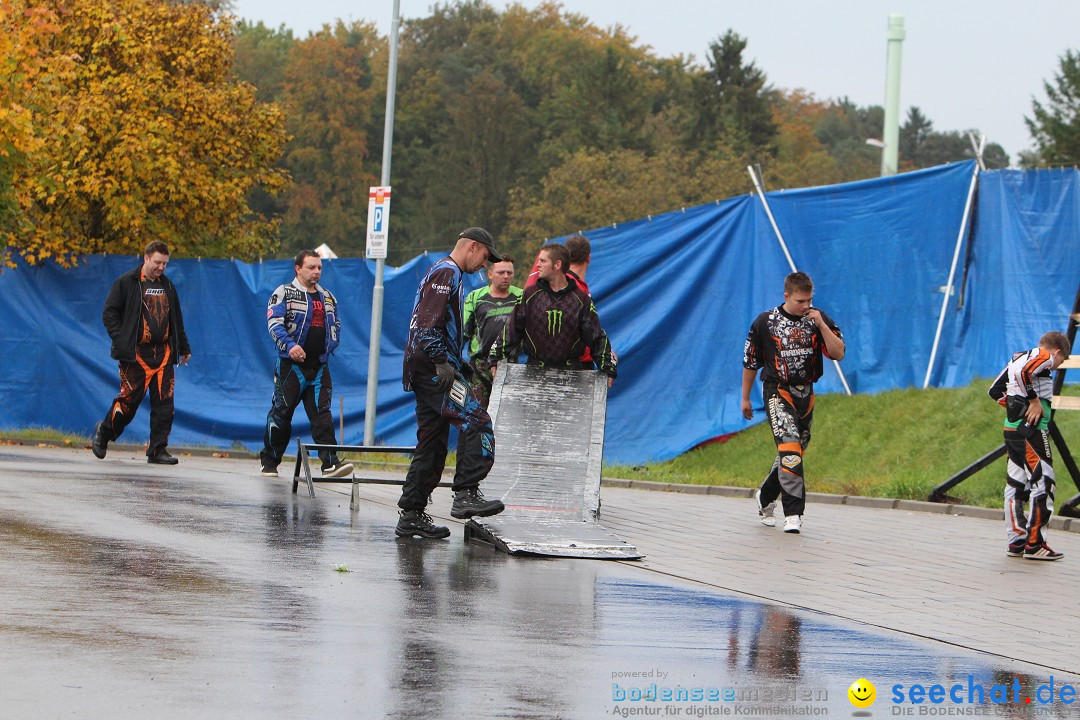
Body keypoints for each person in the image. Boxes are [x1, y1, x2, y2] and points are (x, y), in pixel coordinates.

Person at [397, 227, 507, 539]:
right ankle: (466, 493)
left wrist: (460, 364)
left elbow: (435, 323)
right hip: (433, 371)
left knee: (432, 445)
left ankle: (411, 514)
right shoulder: (447, 273)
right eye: (486, 257)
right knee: (476, 419)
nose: (485, 265)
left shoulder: (443, 272)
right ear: (473, 246)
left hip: (427, 368)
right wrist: (442, 362)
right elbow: (427, 324)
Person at [741, 271, 845, 534]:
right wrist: (745, 397)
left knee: (794, 454)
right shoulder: (765, 322)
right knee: (790, 452)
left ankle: (765, 496)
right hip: (777, 391)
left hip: (806, 393)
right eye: (800, 301)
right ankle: (793, 514)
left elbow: (838, 353)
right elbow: (751, 362)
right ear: (786, 296)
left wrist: (821, 324)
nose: (806, 306)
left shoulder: (817, 318)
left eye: (809, 300)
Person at [92, 240, 191, 464]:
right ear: (146, 258)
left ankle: (157, 450)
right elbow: (109, 313)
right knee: (128, 405)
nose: (161, 267)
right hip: (135, 355)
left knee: (165, 404)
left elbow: (177, 320)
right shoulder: (127, 282)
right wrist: (122, 339)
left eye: (165, 263)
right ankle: (104, 433)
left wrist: (183, 347)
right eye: (157, 262)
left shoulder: (168, 286)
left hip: (163, 354)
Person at [259, 250, 353, 479]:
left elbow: (336, 325)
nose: (316, 272)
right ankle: (269, 463)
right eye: (311, 267)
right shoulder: (284, 293)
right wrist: (290, 346)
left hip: (319, 367)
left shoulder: (328, 297)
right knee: (281, 414)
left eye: (319, 267)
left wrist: (331, 346)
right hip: (290, 367)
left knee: (323, 415)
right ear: (298, 268)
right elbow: (274, 323)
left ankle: (330, 463)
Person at [988, 331, 1071, 560]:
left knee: (1016, 483)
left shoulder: (1018, 357)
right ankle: (1035, 544)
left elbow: (994, 390)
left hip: (1012, 429)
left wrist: (1015, 406)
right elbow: (1026, 373)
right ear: (1056, 352)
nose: (1056, 367)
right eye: (1061, 361)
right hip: (1032, 430)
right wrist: (1032, 403)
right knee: (1044, 482)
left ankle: (1017, 541)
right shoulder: (1043, 356)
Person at [495, 243, 617, 384]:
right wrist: (495, 359)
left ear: (557, 264)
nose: (538, 265)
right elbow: (510, 330)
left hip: (572, 375)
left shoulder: (581, 298)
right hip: (534, 373)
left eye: (543, 261)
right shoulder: (529, 295)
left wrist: (608, 366)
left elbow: (596, 336)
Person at [461, 253, 522, 408]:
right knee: (475, 415)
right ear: (490, 274)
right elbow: (462, 333)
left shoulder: (521, 297)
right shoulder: (476, 297)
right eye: (501, 272)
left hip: (509, 365)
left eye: (509, 273)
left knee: (508, 414)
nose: (506, 276)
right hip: (479, 367)